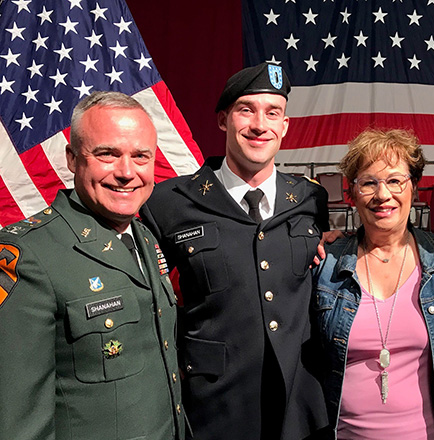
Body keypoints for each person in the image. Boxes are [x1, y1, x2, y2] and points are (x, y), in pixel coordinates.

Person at [139, 62, 330, 440]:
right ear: (223, 120)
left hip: (300, 408)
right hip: (214, 408)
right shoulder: (168, 203)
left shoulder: (310, 198)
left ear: (284, 126)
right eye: (247, 110)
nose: (260, 124)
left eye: (272, 113)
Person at [0, 92, 185, 439]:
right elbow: (17, 420)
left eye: (141, 156)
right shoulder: (27, 255)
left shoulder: (143, 236)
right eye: (107, 154)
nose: (127, 172)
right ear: (72, 158)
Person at [312, 128, 434, 440]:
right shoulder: (325, 266)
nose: (383, 195)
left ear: (414, 189)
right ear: (351, 193)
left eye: (395, 180)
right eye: (369, 182)